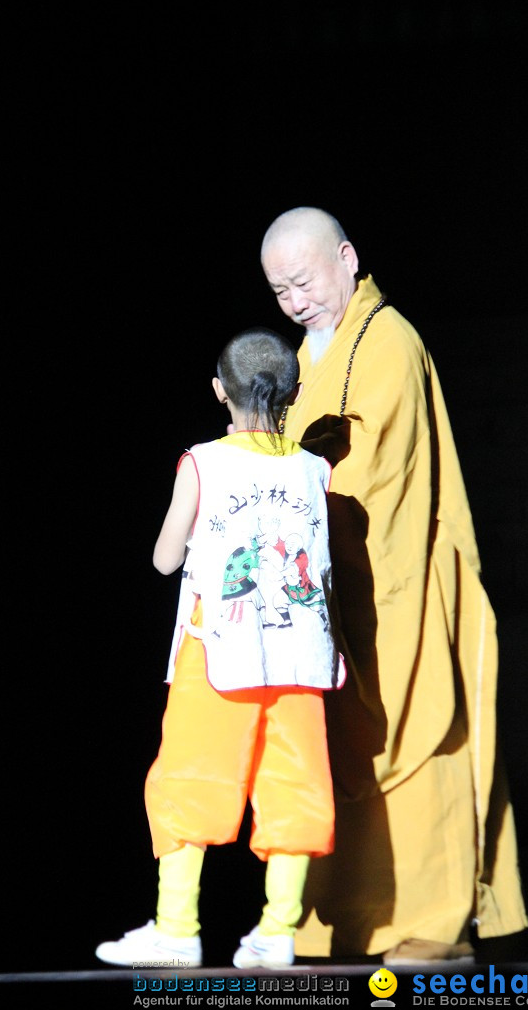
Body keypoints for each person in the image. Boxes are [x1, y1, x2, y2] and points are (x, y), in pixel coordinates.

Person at [260, 206, 528, 965]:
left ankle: (438, 928)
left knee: (421, 733)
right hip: (335, 587)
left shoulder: (388, 343)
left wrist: (293, 482)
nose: (294, 301)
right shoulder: (313, 354)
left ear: (346, 259)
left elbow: (381, 465)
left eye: (304, 280)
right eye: (279, 291)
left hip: (395, 583)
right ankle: (347, 918)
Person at [95, 327, 346, 970]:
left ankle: (176, 929)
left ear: (218, 392)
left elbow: (163, 559)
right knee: (295, 784)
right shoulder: (316, 468)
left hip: (221, 650)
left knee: (190, 777)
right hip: (298, 654)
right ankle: (278, 930)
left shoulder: (203, 462)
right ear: (293, 394)